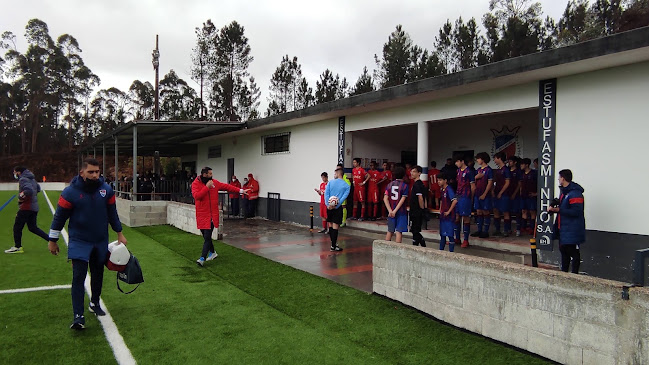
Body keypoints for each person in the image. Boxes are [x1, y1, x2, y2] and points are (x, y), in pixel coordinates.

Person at [47, 158, 127, 330]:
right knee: (78, 276)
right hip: (79, 241)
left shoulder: (106, 190)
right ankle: (78, 316)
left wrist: (119, 233)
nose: (95, 175)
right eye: (91, 172)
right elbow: (59, 217)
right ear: (81, 172)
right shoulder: (70, 193)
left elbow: (112, 214)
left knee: (98, 274)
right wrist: (52, 240)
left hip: (100, 241)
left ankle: (95, 302)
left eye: (97, 172)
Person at [192, 167, 248, 267]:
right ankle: (213, 252)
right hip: (201, 214)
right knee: (206, 236)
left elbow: (227, 187)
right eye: (210, 174)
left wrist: (240, 190)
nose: (211, 175)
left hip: (212, 215)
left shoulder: (214, 182)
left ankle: (202, 259)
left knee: (207, 237)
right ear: (204, 175)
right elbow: (197, 196)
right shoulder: (196, 183)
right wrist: (207, 187)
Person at [4, 166, 51, 254]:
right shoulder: (31, 178)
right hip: (34, 206)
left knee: (17, 227)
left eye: (15, 172)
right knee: (33, 227)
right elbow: (38, 189)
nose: (14, 174)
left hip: (26, 207)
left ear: (19, 172)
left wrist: (20, 197)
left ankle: (17, 247)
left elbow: (28, 191)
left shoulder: (23, 179)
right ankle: (50, 240)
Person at [548, 169, 585, 274]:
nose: (558, 179)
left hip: (572, 229)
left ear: (563, 178)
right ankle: (564, 273)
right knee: (564, 252)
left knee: (573, 252)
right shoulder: (564, 193)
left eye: (559, 177)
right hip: (562, 229)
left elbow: (576, 211)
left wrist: (558, 210)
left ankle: (574, 275)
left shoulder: (575, 194)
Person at [324, 166, 350, 251]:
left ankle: (333, 244)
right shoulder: (346, 186)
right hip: (337, 208)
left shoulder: (330, 182)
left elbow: (326, 194)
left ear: (338, 174)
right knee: (335, 226)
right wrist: (336, 205)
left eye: (335, 173)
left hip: (329, 208)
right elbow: (343, 197)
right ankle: (333, 245)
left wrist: (328, 204)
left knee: (330, 224)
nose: (334, 175)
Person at [454, 155, 475, 248]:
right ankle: (457, 238)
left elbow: (473, 187)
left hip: (466, 196)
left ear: (462, 161)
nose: (456, 164)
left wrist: (471, 198)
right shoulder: (458, 171)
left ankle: (466, 240)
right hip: (458, 195)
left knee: (466, 217)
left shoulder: (469, 172)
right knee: (456, 217)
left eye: (457, 161)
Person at [383, 166, 409, 243]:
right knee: (399, 231)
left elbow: (385, 198)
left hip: (391, 210)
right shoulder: (405, 186)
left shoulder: (389, 185)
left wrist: (390, 211)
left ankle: (386, 248)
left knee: (390, 230)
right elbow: (402, 200)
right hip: (401, 211)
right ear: (404, 175)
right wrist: (395, 211)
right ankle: (398, 249)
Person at [472, 152, 493, 239]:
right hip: (477, 193)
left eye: (478, 158)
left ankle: (485, 231)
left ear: (483, 159)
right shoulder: (478, 170)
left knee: (486, 212)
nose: (477, 160)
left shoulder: (489, 170)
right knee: (479, 211)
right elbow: (473, 181)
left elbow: (490, 183)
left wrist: (485, 193)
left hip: (485, 195)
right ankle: (479, 229)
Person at [492, 152, 511, 237]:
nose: (494, 160)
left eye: (495, 158)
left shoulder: (506, 170)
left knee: (505, 211)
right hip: (496, 192)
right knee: (496, 210)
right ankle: (497, 229)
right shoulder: (498, 170)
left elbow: (507, 183)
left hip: (504, 194)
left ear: (499, 158)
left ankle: (506, 230)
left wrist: (501, 192)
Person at [438, 173, 458, 252]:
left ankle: (451, 252)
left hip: (449, 216)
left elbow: (455, 201)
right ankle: (440, 251)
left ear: (445, 181)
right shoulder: (442, 189)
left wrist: (449, 211)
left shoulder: (449, 189)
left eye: (440, 180)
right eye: (438, 180)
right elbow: (441, 200)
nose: (438, 182)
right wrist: (440, 209)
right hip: (443, 215)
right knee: (442, 234)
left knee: (450, 235)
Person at [409, 165, 426, 247]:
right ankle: (421, 243)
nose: (412, 173)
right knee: (413, 230)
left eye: (414, 171)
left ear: (419, 173)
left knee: (415, 230)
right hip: (414, 210)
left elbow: (421, 198)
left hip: (417, 211)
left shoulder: (418, 185)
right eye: (411, 171)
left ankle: (418, 244)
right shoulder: (415, 184)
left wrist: (422, 210)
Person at [520, 158, 537, 235]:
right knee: (524, 210)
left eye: (522, 164)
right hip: (523, 195)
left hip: (531, 196)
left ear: (527, 164)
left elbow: (539, 184)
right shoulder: (522, 173)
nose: (521, 166)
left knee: (532, 211)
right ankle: (523, 227)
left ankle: (532, 227)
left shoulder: (534, 173)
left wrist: (536, 193)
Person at [508, 156, 523, 236]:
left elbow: (519, 184)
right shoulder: (507, 171)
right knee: (508, 212)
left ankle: (518, 229)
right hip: (507, 194)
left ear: (515, 162)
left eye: (510, 161)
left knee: (517, 212)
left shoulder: (518, 171)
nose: (509, 163)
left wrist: (515, 193)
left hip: (515, 195)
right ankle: (508, 229)